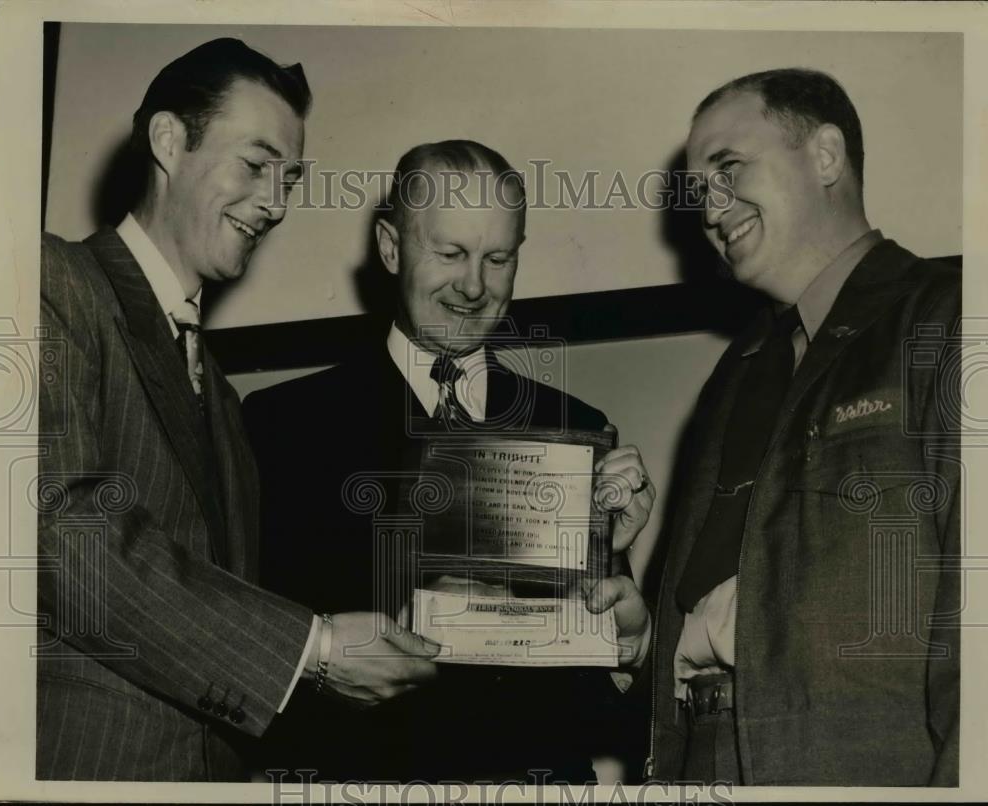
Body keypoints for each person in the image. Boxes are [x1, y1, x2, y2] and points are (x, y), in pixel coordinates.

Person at [36, 38, 438, 782]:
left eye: (290, 179)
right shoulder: (50, 282)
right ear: (167, 140)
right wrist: (313, 650)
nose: (276, 204)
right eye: (255, 166)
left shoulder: (217, 388)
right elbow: (64, 537)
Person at [243, 139, 655, 782]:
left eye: (497, 258)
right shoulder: (278, 426)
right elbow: (260, 658)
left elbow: (599, 689)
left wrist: (622, 623)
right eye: (451, 253)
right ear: (390, 247)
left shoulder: (578, 429)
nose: (473, 285)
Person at [640, 68, 960, 785]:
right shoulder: (741, 367)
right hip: (702, 758)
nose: (712, 209)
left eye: (729, 169)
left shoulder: (949, 319)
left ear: (824, 156)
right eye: (700, 191)